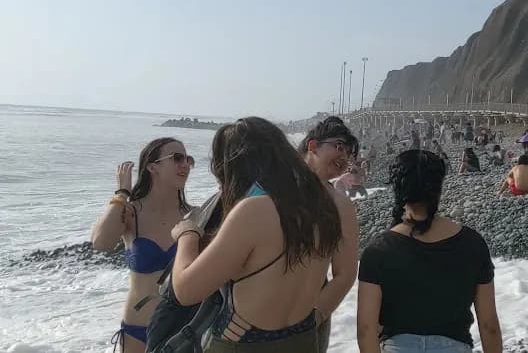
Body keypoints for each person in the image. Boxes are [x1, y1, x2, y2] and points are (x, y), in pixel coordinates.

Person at [169, 117, 342, 352]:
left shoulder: (254, 210)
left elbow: (186, 291)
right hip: (303, 338)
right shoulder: (327, 204)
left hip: (242, 341)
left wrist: (187, 234)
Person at [356, 150, 502, 353]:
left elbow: (365, 329)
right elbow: (489, 325)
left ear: (398, 189)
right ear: (438, 188)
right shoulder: (472, 243)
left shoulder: (378, 250)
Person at [92, 138, 194, 353]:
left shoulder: (195, 215)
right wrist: (121, 194)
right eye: (177, 158)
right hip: (137, 329)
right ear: (152, 167)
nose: (185, 164)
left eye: (188, 159)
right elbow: (101, 242)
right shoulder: (131, 212)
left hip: (183, 329)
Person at [299, 116, 360, 352]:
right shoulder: (273, 188)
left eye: (349, 153)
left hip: (307, 320)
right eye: (339, 146)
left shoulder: (339, 205)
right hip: (252, 321)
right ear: (313, 145)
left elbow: (345, 274)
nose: (345, 157)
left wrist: (311, 319)